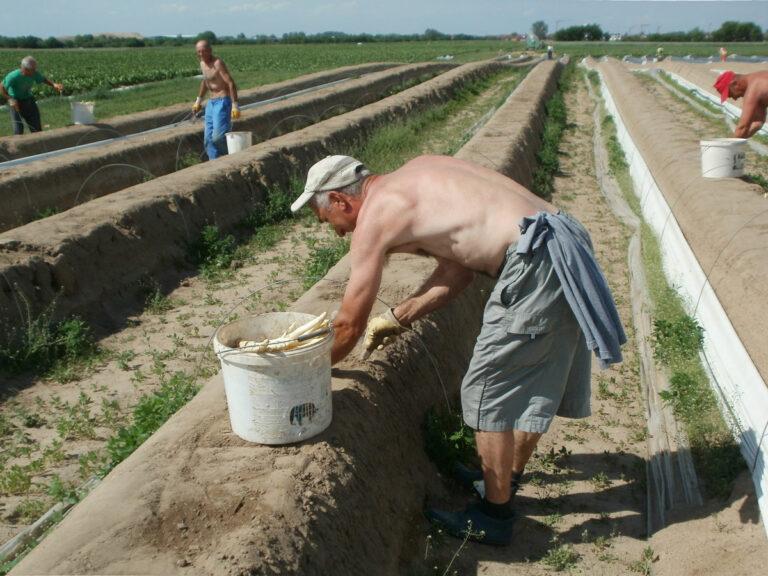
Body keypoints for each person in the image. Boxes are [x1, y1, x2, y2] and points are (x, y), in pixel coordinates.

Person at [291, 154, 626, 545]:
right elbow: (459, 269)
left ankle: (494, 516)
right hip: (563, 239)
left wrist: (308, 371)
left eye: (326, 220)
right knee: (537, 377)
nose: (336, 233)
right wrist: (399, 317)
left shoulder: (377, 214)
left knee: (487, 389)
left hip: (534, 260)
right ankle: (503, 480)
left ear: (339, 200)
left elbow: (348, 323)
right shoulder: (418, 171)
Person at [191, 40, 240, 160]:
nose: (201, 54)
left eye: (203, 51)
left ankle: (230, 158)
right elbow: (205, 81)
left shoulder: (217, 63)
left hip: (223, 101)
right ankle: (215, 164)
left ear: (210, 50)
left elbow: (230, 83)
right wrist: (198, 101)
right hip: (211, 103)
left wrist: (235, 105)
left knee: (218, 138)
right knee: (208, 140)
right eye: (199, 52)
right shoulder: (202, 63)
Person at [0, 56, 63, 135]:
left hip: (28, 100)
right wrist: (10, 99)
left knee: (36, 126)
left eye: (35, 69)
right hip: (15, 102)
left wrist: (54, 85)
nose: (35, 71)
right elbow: (1, 87)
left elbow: (43, 79)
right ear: (24, 69)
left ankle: (38, 143)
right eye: (32, 70)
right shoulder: (13, 76)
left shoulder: (34, 73)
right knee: (18, 128)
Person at [714, 70, 768, 139]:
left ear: (734, 84)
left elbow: (742, 127)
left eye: (731, 94)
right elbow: (758, 122)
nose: (735, 98)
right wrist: (740, 139)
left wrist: (729, 146)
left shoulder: (753, 90)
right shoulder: (757, 78)